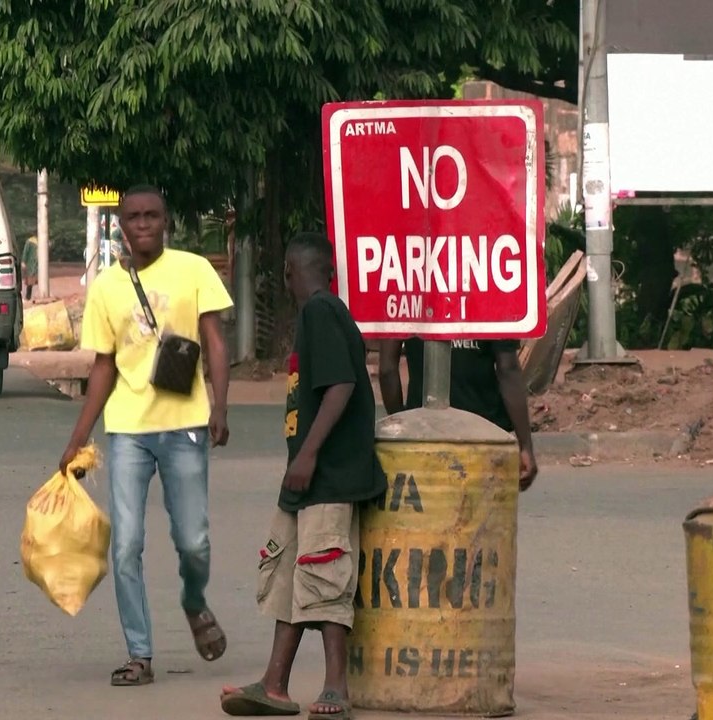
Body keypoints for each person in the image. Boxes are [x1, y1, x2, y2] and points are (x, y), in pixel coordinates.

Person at [58, 184, 233, 686]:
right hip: (129, 430)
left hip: (186, 426)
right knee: (126, 545)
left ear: (166, 220)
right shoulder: (108, 288)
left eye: (151, 216)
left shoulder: (194, 269)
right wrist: (78, 438)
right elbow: (103, 366)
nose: (142, 225)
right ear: (120, 224)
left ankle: (194, 601)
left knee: (194, 541)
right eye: (133, 217)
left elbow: (215, 341)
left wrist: (220, 405)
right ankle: (140, 654)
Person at [220, 232, 386, 720]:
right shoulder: (323, 313)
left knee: (325, 572)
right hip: (305, 480)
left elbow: (341, 385)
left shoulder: (321, 312)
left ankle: (336, 687)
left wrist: (309, 454)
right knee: (288, 573)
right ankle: (274, 684)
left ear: (290, 272)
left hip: (328, 476)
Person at [377, 335, 538, 491]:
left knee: (430, 514)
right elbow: (507, 369)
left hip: (422, 432)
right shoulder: (494, 306)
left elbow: (387, 369)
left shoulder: (405, 307)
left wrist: (401, 424)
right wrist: (525, 445)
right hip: (484, 434)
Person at [20, 234, 39, 302]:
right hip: (31, 264)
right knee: (30, 282)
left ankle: (34, 296)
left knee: (36, 281)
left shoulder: (41, 241)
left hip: (38, 265)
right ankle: (28, 297)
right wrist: (23, 261)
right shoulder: (30, 241)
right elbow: (25, 252)